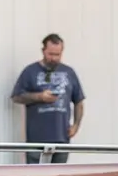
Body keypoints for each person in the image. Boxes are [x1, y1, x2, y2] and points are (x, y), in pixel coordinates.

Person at [10, 34, 85, 163]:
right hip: (36, 136)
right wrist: (39, 97)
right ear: (43, 51)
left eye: (58, 55)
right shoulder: (30, 71)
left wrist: (76, 125)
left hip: (61, 135)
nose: (54, 58)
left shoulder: (69, 72)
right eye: (50, 54)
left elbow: (79, 101)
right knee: (33, 175)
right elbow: (16, 97)